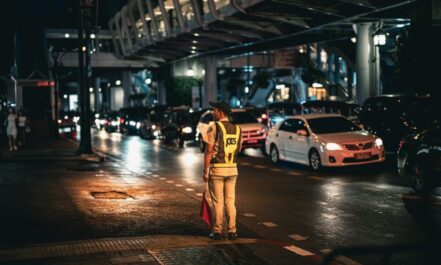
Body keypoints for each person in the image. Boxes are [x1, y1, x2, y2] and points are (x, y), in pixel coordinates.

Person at [203, 101, 242, 240]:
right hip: (232, 170)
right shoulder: (238, 129)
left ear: (221, 112)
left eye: (215, 110)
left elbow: (208, 151)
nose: (213, 112)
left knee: (217, 202)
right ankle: (232, 230)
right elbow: (239, 149)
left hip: (217, 170)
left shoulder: (215, 127)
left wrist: (205, 171)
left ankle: (217, 231)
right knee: (230, 201)